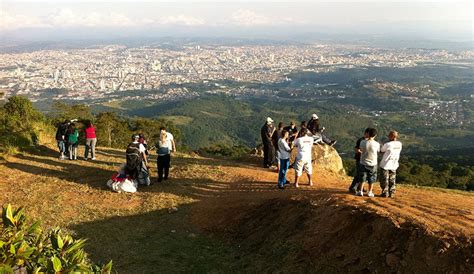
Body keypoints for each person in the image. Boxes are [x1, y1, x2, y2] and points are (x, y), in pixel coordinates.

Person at [357, 128, 380, 197]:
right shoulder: (377, 144)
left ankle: (360, 191)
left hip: (363, 162)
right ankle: (370, 192)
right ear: (375, 135)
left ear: (368, 134)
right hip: (373, 163)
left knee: (362, 177)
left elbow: (361, 149)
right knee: (372, 178)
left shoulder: (362, 142)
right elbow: (378, 151)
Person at [380, 131, 402, 198]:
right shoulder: (399, 144)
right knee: (392, 179)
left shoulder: (387, 144)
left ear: (392, 136)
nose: (388, 136)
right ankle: (392, 192)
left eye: (389, 135)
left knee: (384, 179)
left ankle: (385, 193)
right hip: (394, 164)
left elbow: (381, 151)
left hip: (385, 163)